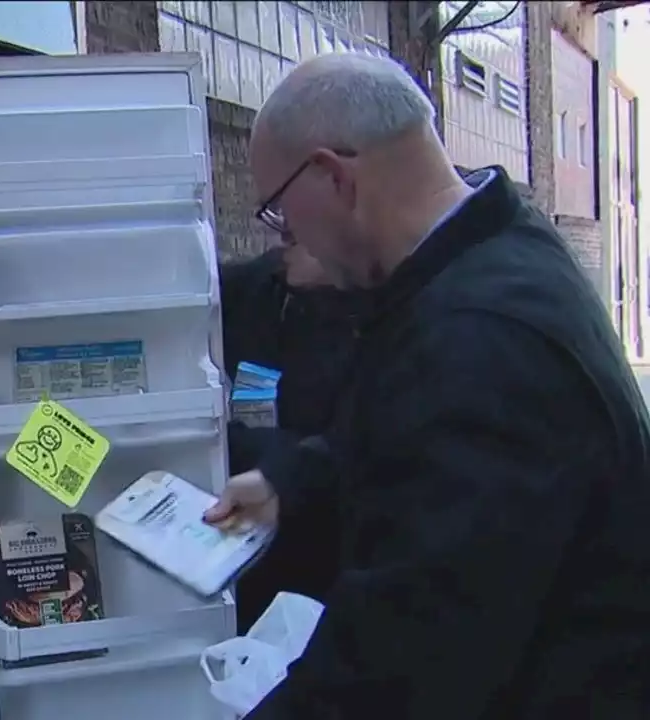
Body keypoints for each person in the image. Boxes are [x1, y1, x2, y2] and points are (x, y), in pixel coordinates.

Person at [205, 52, 650, 718]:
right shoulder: (496, 247)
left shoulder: (481, 339)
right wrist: (291, 481)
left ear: (330, 175)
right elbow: (410, 432)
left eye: (279, 214)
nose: (289, 239)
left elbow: (397, 670)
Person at [219, 242, 359, 630]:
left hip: (327, 577)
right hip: (242, 561)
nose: (286, 230)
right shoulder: (262, 287)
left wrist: (279, 466)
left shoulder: (397, 320)